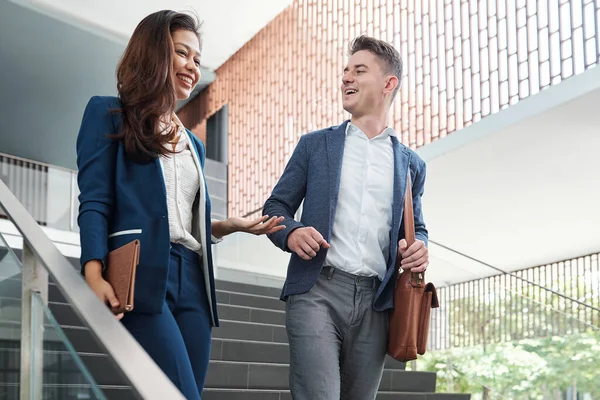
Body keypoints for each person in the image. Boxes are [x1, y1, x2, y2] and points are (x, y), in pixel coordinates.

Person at [76, 10, 284, 400]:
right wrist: (93, 273)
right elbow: (94, 202)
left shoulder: (195, 144)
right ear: (155, 52)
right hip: (141, 271)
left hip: (194, 281)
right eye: (181, 53)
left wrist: (227, 226)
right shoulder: (108, 113)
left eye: (197, 59)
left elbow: (184, 220)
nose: (192, 66)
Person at [263, 35, 429, 400]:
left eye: (359, 70)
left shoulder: (411, 165)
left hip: (376, 303)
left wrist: (421, 249)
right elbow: (275, 208)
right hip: (316, 291)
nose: (346, 78)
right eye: (345, 71)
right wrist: (291, 233)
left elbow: (417, 228)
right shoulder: (315, 145)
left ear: (389, 84)